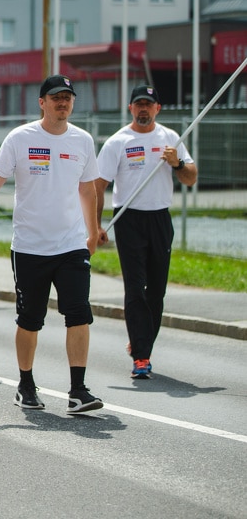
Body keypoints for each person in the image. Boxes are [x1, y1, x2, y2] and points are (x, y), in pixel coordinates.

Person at [0, 75, 104, 414]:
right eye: (56, 97)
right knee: (30, 319)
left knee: (79, 315)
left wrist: (93, 232)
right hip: (30, 246)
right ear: (41, 102)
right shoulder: (21, 138)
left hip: (71, 245)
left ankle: (78, 390)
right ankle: (26, 384)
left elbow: (88, 190)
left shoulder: (83, 140)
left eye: (68, 98)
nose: (63, 102)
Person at [96, 85, 197, 379]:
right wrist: (96, 225)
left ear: (157, 109)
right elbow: (98, 186)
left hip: (159, 219)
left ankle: (141, 342)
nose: (143, 109)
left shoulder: (170, 139)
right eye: (138, 104)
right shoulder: (118, 142)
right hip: (128, 219)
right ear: (130, 109)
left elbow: (191, 178)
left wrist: (176, 162)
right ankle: (141, 356)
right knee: (135, 287)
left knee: (157, 290)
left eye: (148, 105)